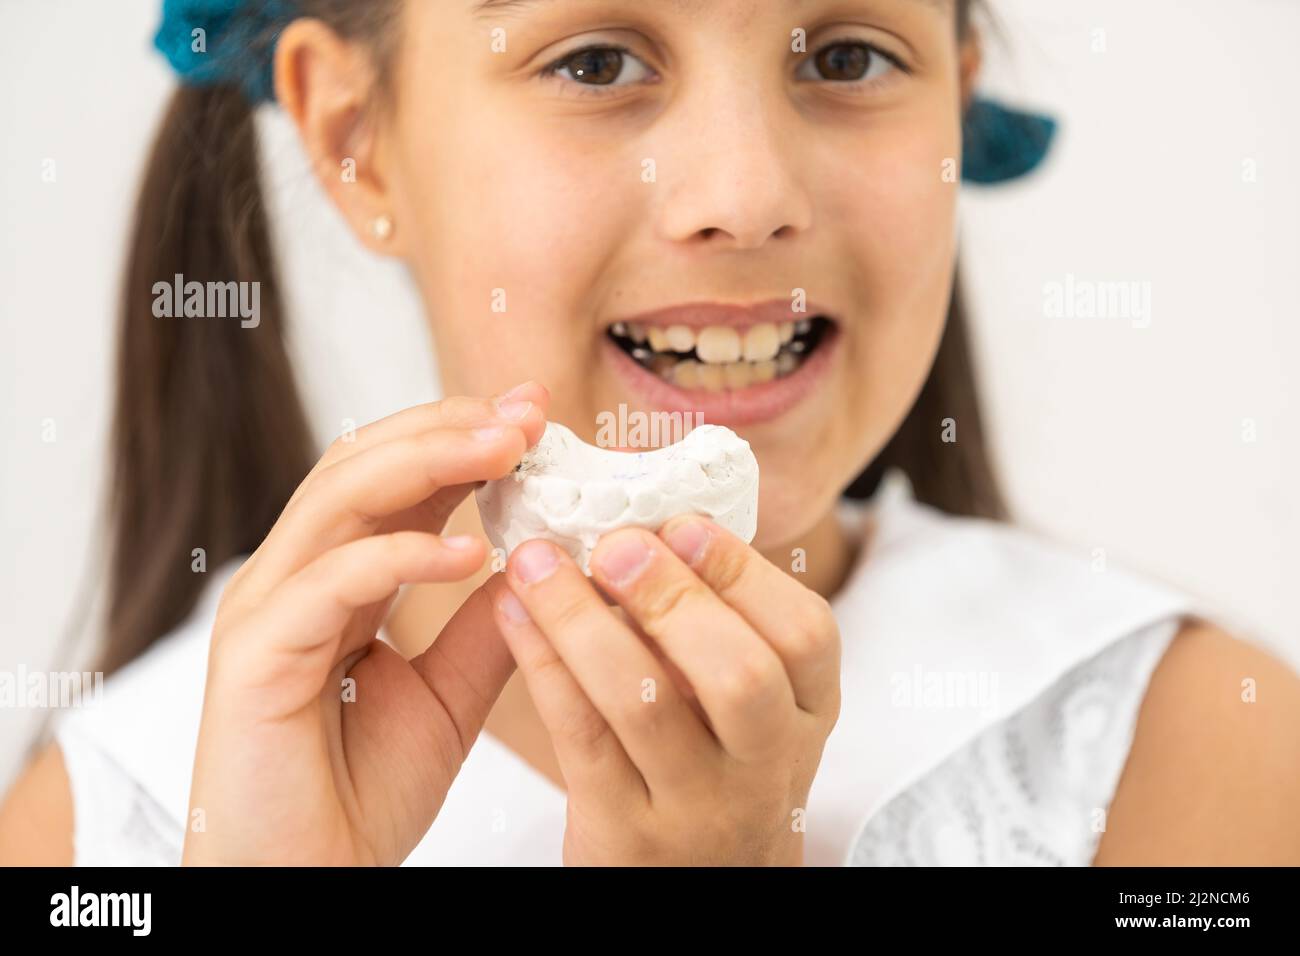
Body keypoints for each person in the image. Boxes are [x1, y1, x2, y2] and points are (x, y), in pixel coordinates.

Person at [2, 0, 1297, 866]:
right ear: (359, 144)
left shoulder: (1188, 749)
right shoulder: (114, 812)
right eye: (597, 61)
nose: (745, 196)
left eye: (845, 56)